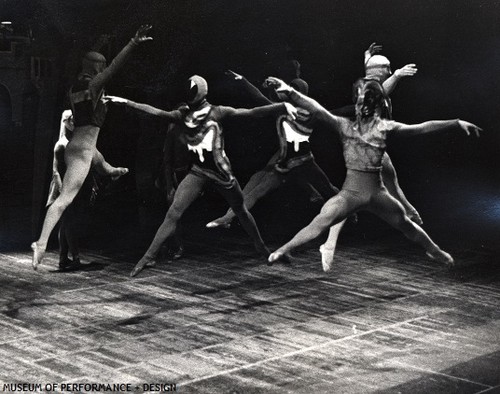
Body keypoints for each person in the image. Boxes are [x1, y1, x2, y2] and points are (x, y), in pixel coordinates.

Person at [266, 77, 481, 270]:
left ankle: (434, 250)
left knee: (406, 224)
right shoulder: (344, 126)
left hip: (378, 194)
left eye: (365, 105)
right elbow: (318, 109)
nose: (360, 109)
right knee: (321, 220)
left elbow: (421, 128)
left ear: (376, 107)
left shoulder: (385, 127)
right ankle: (284, 249)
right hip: (350, 194)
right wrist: (289, 91)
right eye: (359, 104)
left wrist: (455, 122)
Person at [106, 75, 298, 277]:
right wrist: (128, 102)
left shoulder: (217, 112)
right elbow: (157, 112)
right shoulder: (183, 114)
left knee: (240, 210)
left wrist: (281, 106)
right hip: (199, 171)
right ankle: (148, 256)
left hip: (222, 173)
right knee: (174, 212)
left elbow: (252, 113)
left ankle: (261, 247)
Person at [31, 25, 152, 271]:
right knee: (64, 200)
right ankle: (41, 243)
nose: (102, 69)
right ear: (96, 68)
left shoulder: (74, 86)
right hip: (83, 150)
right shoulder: (95, 84)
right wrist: (132, 43)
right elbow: (113, 68)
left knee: (103, 165)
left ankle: (110, 170)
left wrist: (98, 42)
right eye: (100, 65)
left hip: (83, 146)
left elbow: (91, 63)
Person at [205, 71, 344, 237]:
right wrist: (243, 81)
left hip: (304, 162)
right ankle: (228, 217)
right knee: (258, 191)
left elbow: (337, 113)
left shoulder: (312, 112)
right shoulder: (282, 109)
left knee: (326, 188)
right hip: (284, 163)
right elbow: (259, 98)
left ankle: (347, 210)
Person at [48, 110, 128, 270]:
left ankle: (63, 259)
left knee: (66, 224)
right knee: (68, 223)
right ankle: (74, 258)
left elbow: (95, 163)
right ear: (65, 122)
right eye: (71, 120)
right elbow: (56, 172)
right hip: (64, 189)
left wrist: (103, 177)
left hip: (74, 188)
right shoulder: (61, 145)